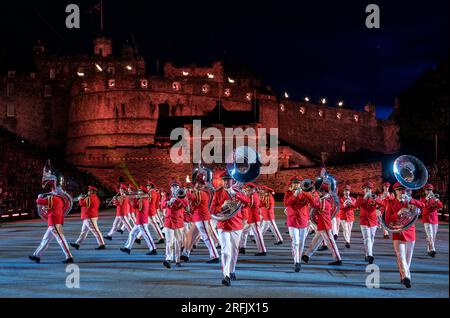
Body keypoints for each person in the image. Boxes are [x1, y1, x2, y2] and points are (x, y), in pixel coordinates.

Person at [210, 171, 250, 286]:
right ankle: (226, 275)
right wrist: (221, 207)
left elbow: (247, 202)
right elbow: (212, 210)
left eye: (228, 180)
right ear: (222, 181)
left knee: (234, 250)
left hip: (236, 224)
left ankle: (232, 270)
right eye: (224, 180)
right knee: (225, 251)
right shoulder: (218, 193)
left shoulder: (238, 192)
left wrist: (235, 195)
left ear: (232, 181)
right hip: (223, 224)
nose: (226, 182)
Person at [384, 182, 425, 288]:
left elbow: (423, 205)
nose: (402, 192)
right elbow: (388, 220)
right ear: (395, 191)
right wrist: (397, 213)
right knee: (400, 255)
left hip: (410, 232)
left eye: (404, 190)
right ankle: (407, 277)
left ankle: (403, 276)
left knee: (407, 259)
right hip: (398, 233)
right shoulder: (390, 203)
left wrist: (410, 200)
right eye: (399, 190)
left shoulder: (410, 201)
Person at [29, 166, 73, 264]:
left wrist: (39, 196)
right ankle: (36, 256)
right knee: (45, 240)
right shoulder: (58, 198)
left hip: (54, 221)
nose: (51, 190)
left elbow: (39, 201)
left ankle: (69, 256)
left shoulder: (53, 198)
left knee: (61, 240)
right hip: (53, 222)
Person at [181, 175, 219, 263]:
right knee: (190, 236)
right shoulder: (199, 192)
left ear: (202, 185)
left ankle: (215, 256)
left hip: (202, 217)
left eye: (198, 183)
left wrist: (187, 189)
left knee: (206, 237)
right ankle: (185, 254)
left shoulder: (201, 193)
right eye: (196, 183)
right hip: (197, 218)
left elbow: (191, 197)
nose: (196, 185)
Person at [302, 182, 342, 266]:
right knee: (315, 241)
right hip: (322, 224)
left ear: (324, 192)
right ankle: (306, 255)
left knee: (330, 242)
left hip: (324, 224)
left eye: (320, 191)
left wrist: (306, 193)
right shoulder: (324, 199)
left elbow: (315, 205)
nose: (319, 192)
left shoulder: (324, 200)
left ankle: (337, 259)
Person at [284, 176, 314, 272]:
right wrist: (294, 195)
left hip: (303, 220)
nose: (296, 185)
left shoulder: (305, 193)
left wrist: (306, 193)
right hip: (292, 220)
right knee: (296, 242)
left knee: (301, 243)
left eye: (298, 183)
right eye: (295, 183)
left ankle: (299, 260)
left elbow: (313, 203)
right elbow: (286, 203)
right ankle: (296, 262)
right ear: (292, 184)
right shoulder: (288, 193)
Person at [120, 185, 157, 255]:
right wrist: (132, 199)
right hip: (140, 220)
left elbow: (138, 208)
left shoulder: (142, 200)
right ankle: (128, 248)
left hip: (141, 220)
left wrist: (131, 199)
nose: (138, 192)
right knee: (132, 233)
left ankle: (153, 249)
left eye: (140, 191)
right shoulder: (144, 199)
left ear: (143, 193)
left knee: (146, 235)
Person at [354, 182, 384, 264]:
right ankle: (370, 255)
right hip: (364, 221)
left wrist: (376, 200)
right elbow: (355, 206)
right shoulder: (360, 198)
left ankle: (367, 254)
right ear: (363, 190)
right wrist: (364, 198)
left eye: (369, 189)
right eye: (366, 188)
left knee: (372, 238)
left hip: (373, 220)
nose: (368, 190)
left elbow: (384, 205)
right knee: (367, 238)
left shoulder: (374, 197)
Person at [162, 180, 189, 268]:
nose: (174, 188)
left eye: (176, 186)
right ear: (170, 188)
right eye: (173, 187)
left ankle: (177, 260)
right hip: (169, 221)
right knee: (169, 241)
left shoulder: (182, 195)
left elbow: (186, 204)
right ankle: (168, 259)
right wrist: (168, 202)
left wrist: (177, 198)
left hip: (178, 222)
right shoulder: (167, 196)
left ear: (179, 188)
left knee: (178, 242)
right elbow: (162, 204)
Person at [70, 186, 106, 250]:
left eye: (89, 191)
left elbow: (83, 204)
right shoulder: (94, 197)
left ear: (92, 192)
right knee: (83, 231)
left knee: (95, 231)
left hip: (89, 216)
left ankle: (102, 244)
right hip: (89, 216)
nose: (88, 192)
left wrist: (80, 199)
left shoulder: (89, 197)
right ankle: (77, 244)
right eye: (88, 191)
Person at [239, 182, 267, 256]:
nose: (247, 190)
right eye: (246, 189)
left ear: (253, 189)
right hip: (250, 217)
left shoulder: (252, 195)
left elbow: (249, 203)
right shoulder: (251, 195)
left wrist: (240, 196)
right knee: (244, 232)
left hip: (254, 217)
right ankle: (242, 247)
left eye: (248, 189)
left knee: (258, 234)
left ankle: (263, 250)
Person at [420, 184, 443, 257]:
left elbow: (440, 206)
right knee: (430, 235)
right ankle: (433, 249)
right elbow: (422, 205)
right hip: (426, 218)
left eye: (430, 190)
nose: (429, 191)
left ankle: (429, 250)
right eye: (427, 190)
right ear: (425, 191)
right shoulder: (422, 199)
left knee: (433, 236)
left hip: (434, 219)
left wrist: (436, 200)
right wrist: (427, 198)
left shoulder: (434, 198)